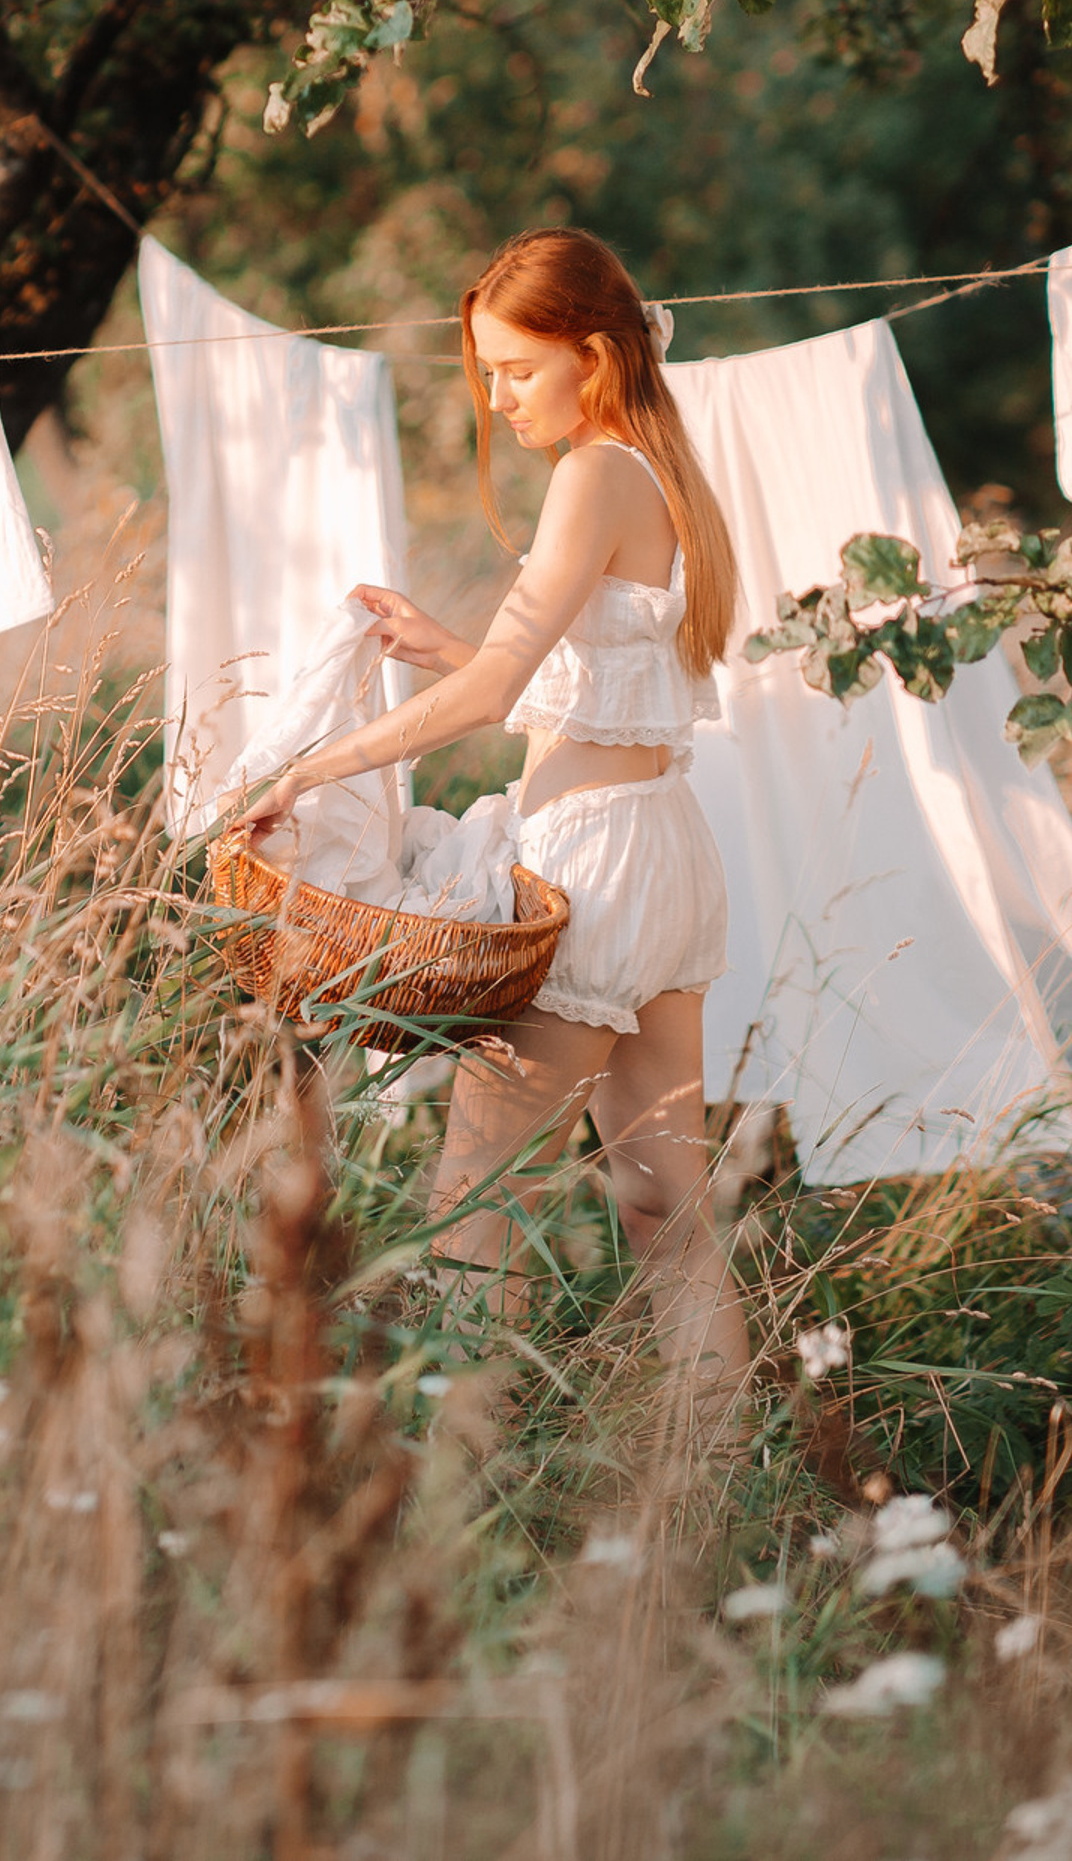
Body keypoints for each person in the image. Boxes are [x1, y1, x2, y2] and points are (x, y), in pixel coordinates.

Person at [234, 227, 749, 1399]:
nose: (496, 394)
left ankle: (451, 1494)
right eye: (488, 370)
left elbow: (495, 696)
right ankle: (720, 1481)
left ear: (594, 355)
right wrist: (445, 646)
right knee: (670, 1203)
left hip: (589, 874)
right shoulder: (661, 473)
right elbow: (599, 695)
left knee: (477, 1209)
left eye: (517, 367)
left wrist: (313, 768)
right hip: (666, 846)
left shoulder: (592, 475)